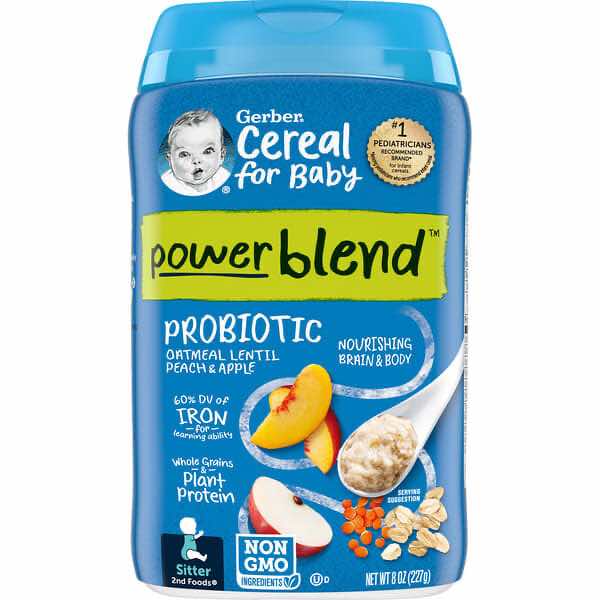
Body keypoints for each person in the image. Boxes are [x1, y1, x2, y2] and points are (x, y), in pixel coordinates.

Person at [162, 110, 231, 196]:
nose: (196, 160)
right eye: (185, 154)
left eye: (207, 151)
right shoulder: (167, 185)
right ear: (170, 160)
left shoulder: (223, 177)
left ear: (221, 156)